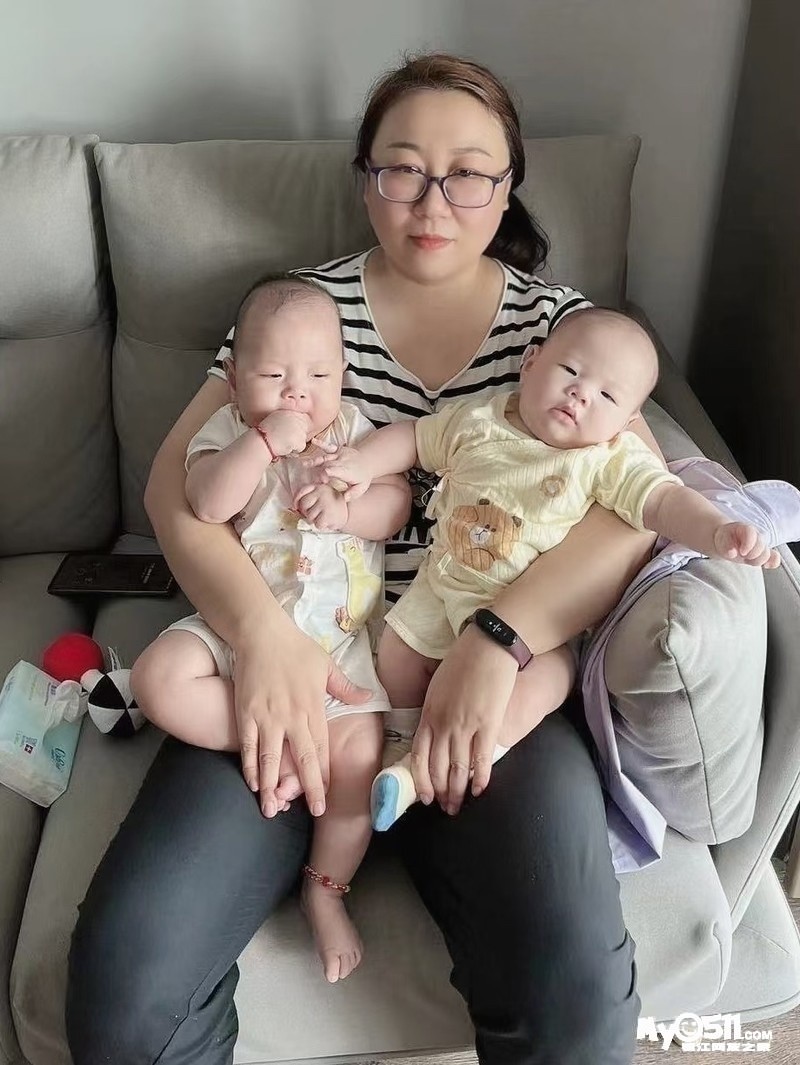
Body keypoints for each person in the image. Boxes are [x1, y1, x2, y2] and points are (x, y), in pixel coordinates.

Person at [67, 52, 662, 1065]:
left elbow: (635, 509)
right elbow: (176, 487)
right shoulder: (302, 314)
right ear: (364, 177)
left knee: (573, 1002)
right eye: (402, 168)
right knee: (125, 998)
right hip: (297, 661)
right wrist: (262, 638)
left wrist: (501, 639)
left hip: (474, 681)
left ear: (507, 183)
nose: (432, 200)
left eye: (466, 173)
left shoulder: (560, 330)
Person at [309, 307, 780, 830]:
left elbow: (664, 501)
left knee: (550, 680)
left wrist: (716, 530)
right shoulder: (479, 420)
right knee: (397, 654)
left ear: (627, 421)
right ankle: (398, 742)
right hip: (441, 590)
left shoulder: (607, 459)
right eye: (571, 371)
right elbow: (414, 438)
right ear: (531, 363)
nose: (581, 394)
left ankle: (429, 770)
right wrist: (361, 463)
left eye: (607, 397)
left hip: (531, 630)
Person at [130, 275, 409, 982]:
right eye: (274, 377)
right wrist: (259, 443)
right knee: (157, 678)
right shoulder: (226, 431)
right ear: (233, 380)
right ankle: (280, 745)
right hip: (236, 632)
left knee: (358, 761)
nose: (297, 395)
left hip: (338, 644)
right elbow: (203, 502)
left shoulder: (351, 434)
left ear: (342, 375)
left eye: (317, 376)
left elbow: (397, 505)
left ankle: (325, 891)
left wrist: (349, 507)